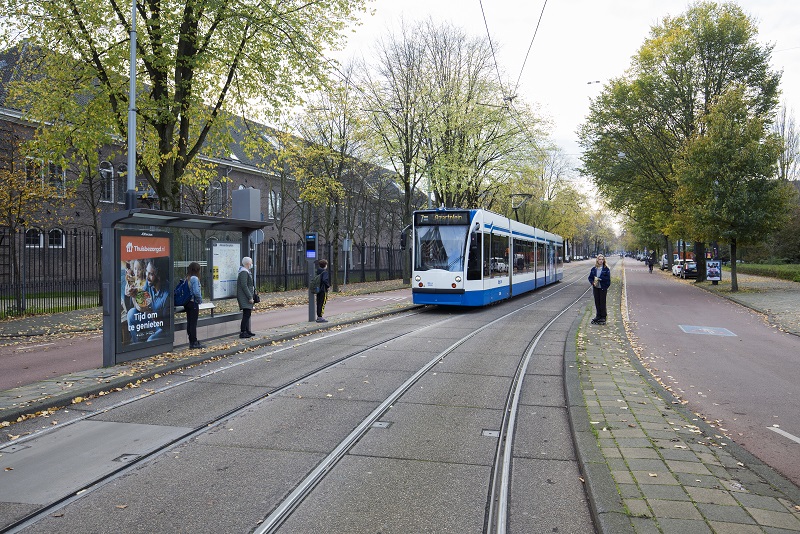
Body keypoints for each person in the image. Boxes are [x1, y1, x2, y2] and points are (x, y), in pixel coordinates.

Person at [126, 259, 170, 342]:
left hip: (161, 326)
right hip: (150, 320)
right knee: (131, 313)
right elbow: (141, 307)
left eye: (151, 274)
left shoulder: (167, 295)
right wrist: (134, 296)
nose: (147, 276)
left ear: (159, 276)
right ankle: (137, 344)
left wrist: (150, 314)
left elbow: (166, 325)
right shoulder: (149, 283)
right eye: (147, 272)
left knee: (151, 340)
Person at [184, 261, 204, 349]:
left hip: (187, 302)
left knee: (190, 322)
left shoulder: (187, 278)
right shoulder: (195, 279)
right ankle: (194, 342)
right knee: (193, 323)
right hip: (193, 303)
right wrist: (200, 300)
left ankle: (191, 340)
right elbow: (196, 291)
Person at [588, 254, 611, 325]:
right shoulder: (594, 269)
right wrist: (592, 282)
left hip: (603, 288)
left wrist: (602, 281)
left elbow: (608, 280)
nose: (601, 261)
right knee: (597, 302)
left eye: (602, 259)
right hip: (596, 287)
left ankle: (603, 316)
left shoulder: (606, 269)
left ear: (604, 260)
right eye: (599, 259)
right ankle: (598, 315)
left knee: (602, 302)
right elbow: (590, 277)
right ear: (597, 260)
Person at [236, 256, 256, 338]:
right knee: (246, 314)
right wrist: (250, 297)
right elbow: (244, 285)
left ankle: (247, 330)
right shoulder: (244, 272)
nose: (251, 264)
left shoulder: (246, 271)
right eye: (251, 262)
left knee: (247, 314)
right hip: (245, 297)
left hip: (246, 297)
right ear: (248, 263)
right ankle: (243, 332)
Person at [315, 259, 331, 323]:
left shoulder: (317, 271)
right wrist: (328, 286)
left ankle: (318, 316)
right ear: (325, 265)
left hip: (318, 289)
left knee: (318, 303)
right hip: (323, 289)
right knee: (322, 303)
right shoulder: (324, 272)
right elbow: (325, 280)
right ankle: (320, 317)